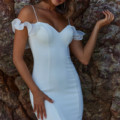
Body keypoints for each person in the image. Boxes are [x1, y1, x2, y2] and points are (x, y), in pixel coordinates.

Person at [11, 0, 114, 120]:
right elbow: (17, 58)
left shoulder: (67, 19)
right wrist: (35, 91)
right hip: (43, 88)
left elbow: (84, 58)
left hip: (71, 88)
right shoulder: (29, 12)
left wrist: (97, 27)